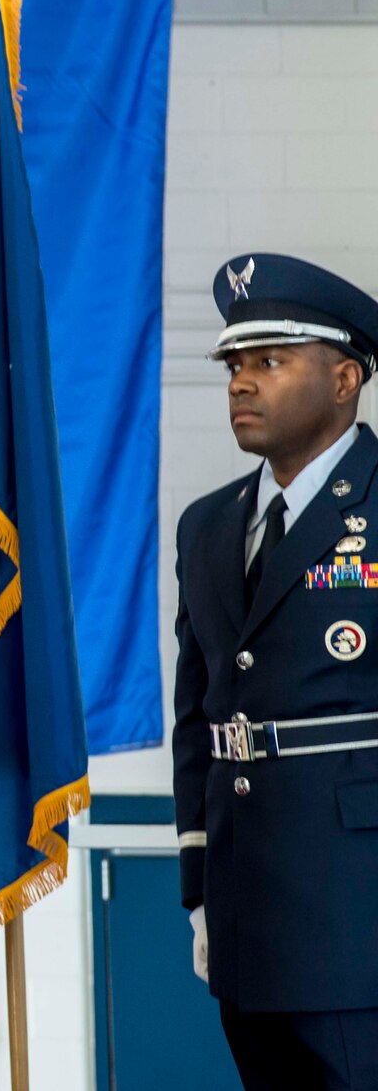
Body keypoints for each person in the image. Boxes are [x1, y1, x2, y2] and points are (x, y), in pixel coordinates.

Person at [173, 251, 378, 1091]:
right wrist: (198, 887)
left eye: (270, 360)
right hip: (247, 915)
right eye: (234, 363)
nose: (241, 383)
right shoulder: (209, 526)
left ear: (345, 379)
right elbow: (200, 711)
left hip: (357, 917)